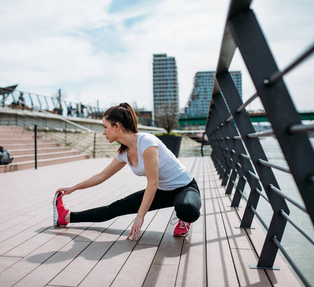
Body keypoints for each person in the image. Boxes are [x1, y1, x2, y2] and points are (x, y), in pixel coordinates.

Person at [53, 102, 202, 240]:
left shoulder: (147, 142)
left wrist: (140, 216)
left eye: (105, 127)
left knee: (186, 208)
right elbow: (101, 176)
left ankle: (184, 220)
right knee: (114, 208)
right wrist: (72, 188)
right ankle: (66, 217)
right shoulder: (123, 153)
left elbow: (153, 182)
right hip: (163, 191)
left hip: (185, 187)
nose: (104, 132)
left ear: (116, 126)